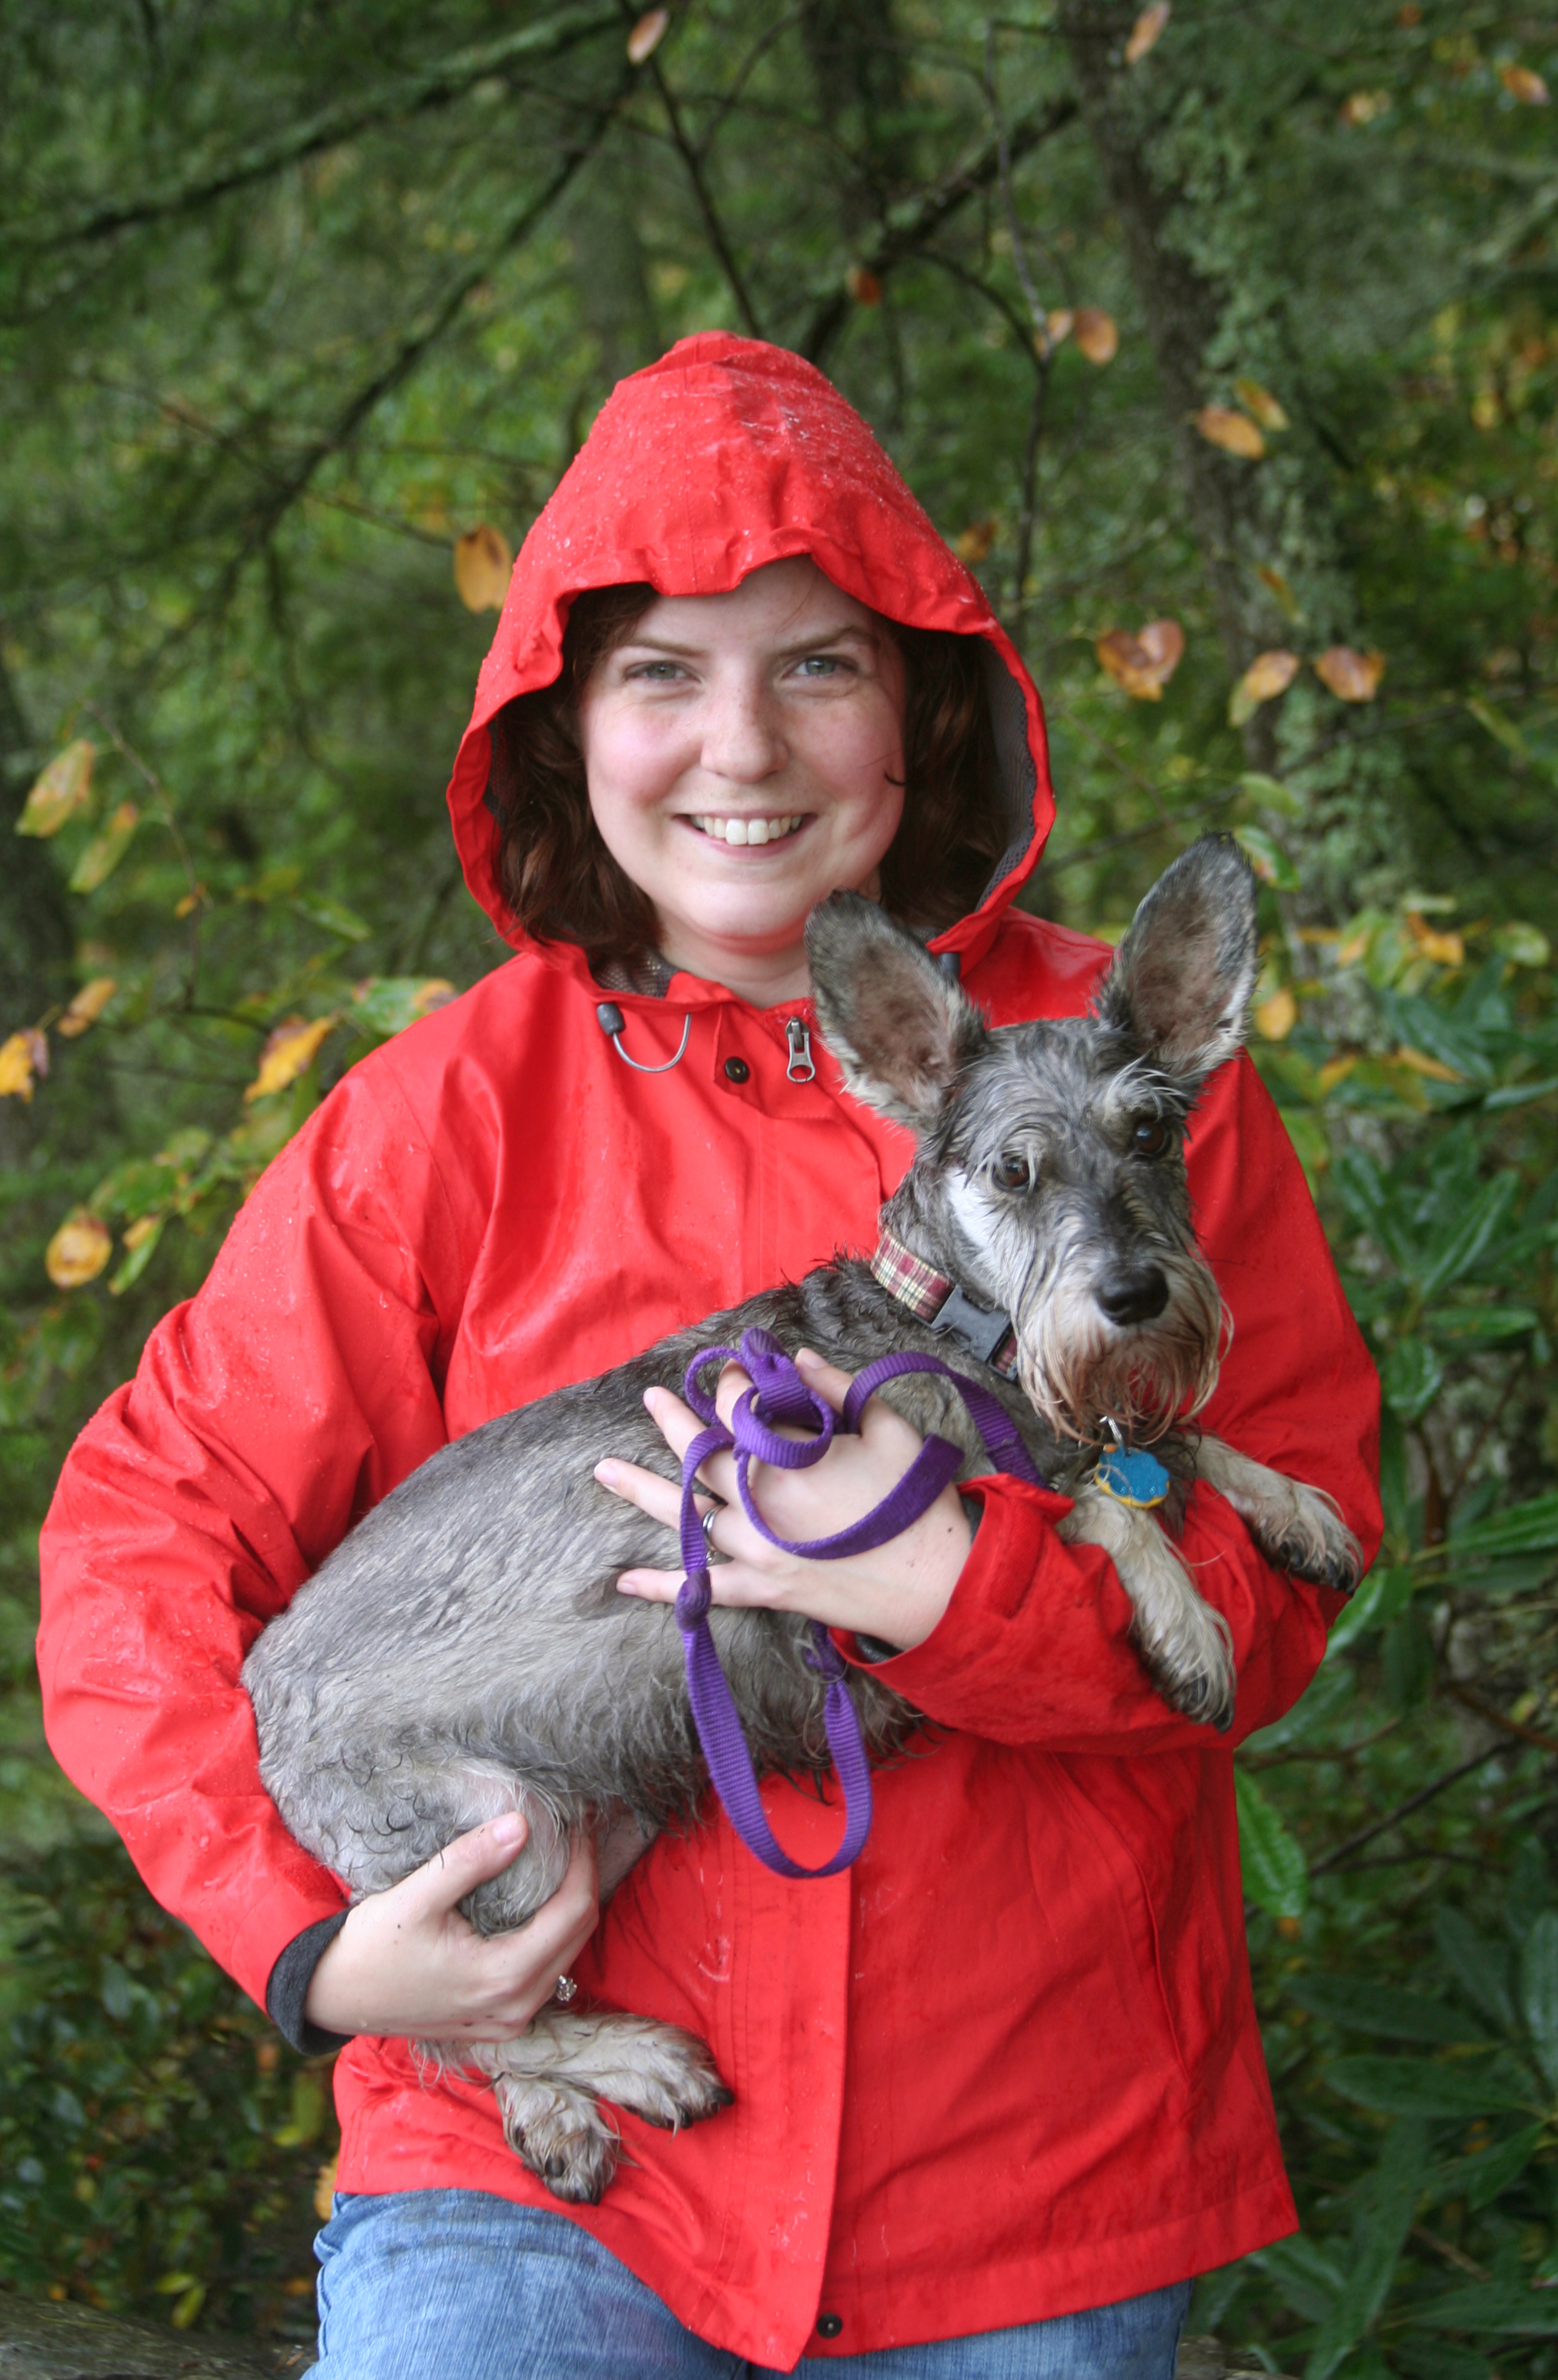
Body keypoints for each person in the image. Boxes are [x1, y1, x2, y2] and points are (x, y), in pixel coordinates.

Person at [38, 333, 1381, 2379]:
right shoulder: (442, 1118)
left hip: (1031, 2181)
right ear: (565, 723)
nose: (740, 746)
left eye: (817, 665)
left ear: (921, 704)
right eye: (664, 671)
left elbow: (1286, 1592)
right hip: (533, 2198)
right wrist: (317, 1950)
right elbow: (141, 1544)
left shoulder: (1121, 1088)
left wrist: (954, 1593)